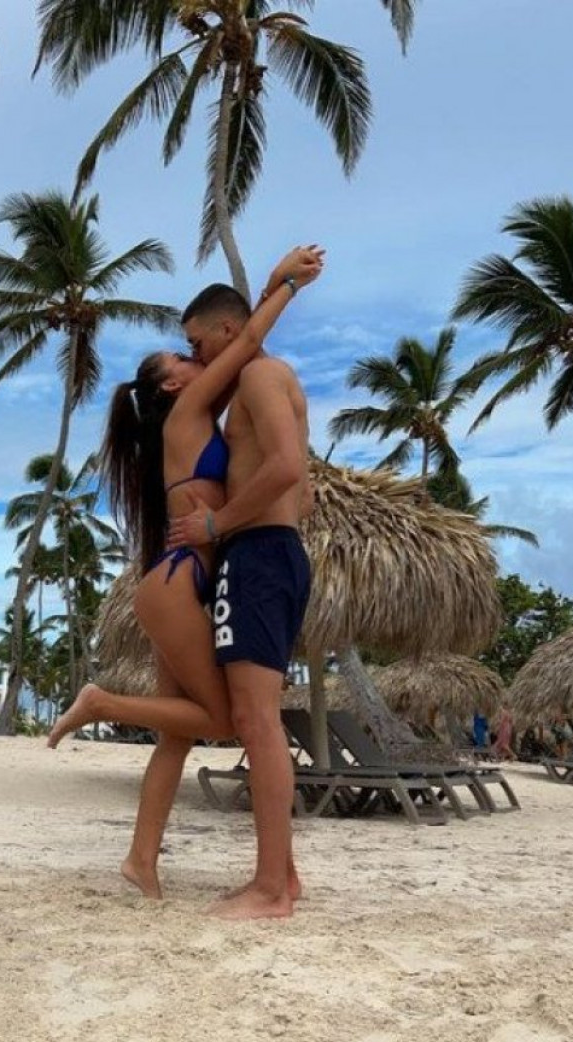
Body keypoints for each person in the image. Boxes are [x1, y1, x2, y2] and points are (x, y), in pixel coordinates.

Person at [47, 246, 324, 905]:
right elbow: (246, 339)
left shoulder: (203, 411)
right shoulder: (189, 409)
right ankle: (101, 703)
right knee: (224, 720)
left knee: (179, 731)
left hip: (181, 581)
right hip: (180, 581)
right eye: (186, 356)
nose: (195, 358)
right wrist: (282, 284)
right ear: (174, 385)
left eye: (195, 347)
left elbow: (247, 358)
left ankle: (141, 861)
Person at [162, 279, 315, 921]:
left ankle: (270, 890)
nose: (196, 356)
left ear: (227, 331)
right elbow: (301, 491)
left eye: (197, 343)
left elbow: (287, 469)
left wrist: (216, 526)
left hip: (258, 557)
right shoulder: (267, 381)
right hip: (271, 552)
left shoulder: (259, 376)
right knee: (258, 720)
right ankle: (283, 878)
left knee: (256, 721)